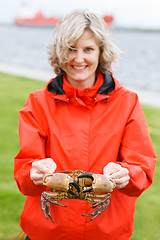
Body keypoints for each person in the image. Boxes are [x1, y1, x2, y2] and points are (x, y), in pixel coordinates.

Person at [14, 9, 157, 240]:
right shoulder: (37, 103)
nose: (78, 59)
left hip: (106, 232)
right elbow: (23, 175)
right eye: (71, 49)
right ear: (60, 52)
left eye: (88, 49)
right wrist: (34, 172)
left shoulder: (127, 102)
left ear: (101, 53)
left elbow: (142, 171)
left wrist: (126, 174)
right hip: (46, 233)